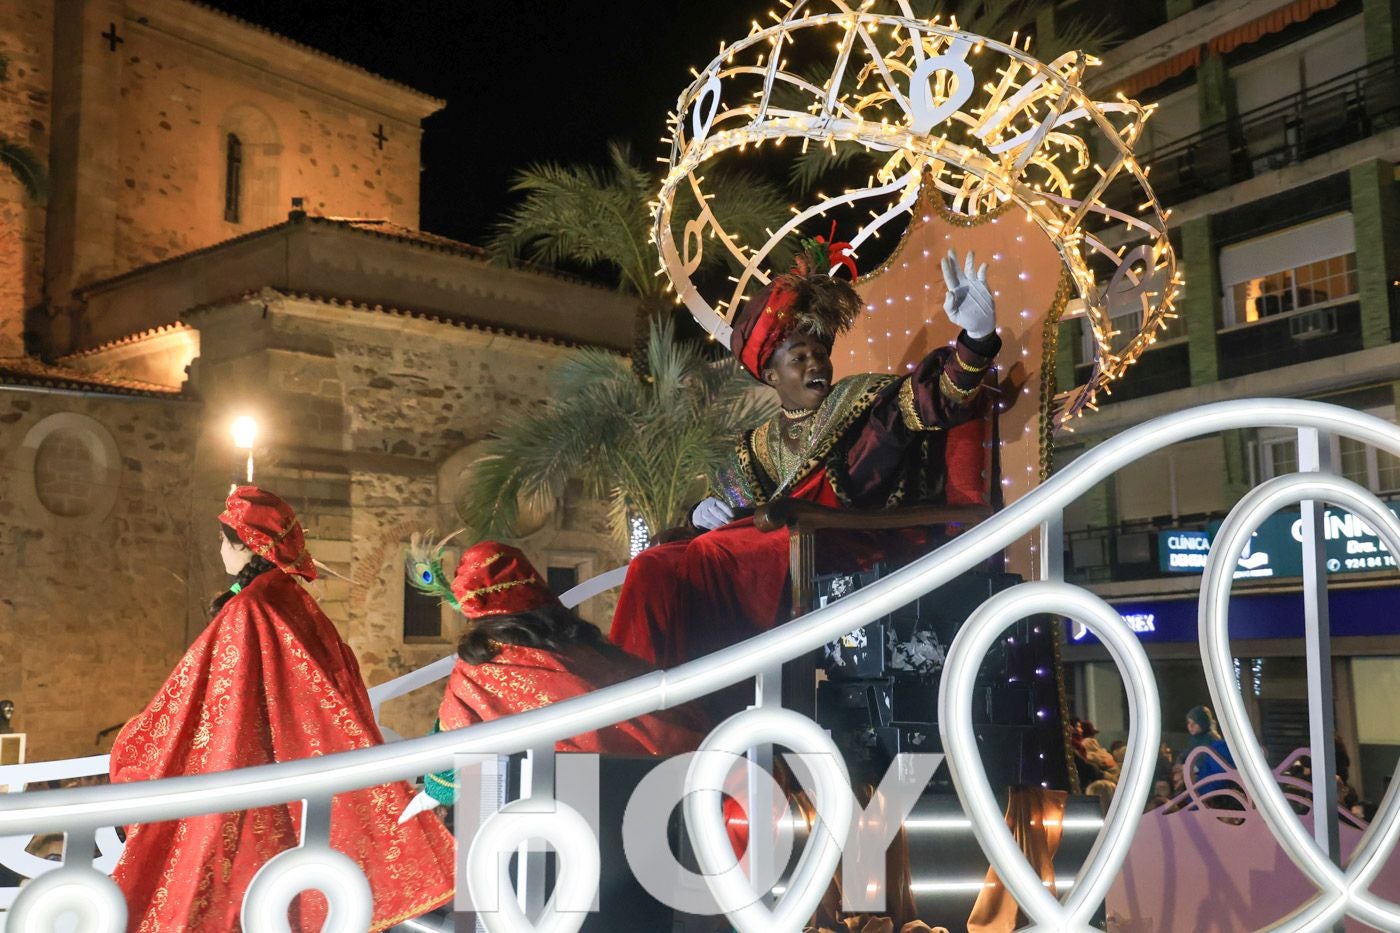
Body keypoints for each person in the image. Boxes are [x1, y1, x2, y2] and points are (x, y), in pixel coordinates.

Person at [609, 239, 1000, 669]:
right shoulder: (758, 443)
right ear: (771, 375)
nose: (815, 364)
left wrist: (977, 339)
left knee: (714, 553)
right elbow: (730, 507)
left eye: (819, 354)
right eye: (799, 357)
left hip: (851, 542)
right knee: (652, 564)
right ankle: (633, 687)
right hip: (785, 545)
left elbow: (937, 400)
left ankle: (718, 692)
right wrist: (700, 512)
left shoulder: (863, 402)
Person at [109, 486, 456, 932]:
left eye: (222, 540)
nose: (219, 549)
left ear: (244, 545)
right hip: (289, 776)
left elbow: (201, 697)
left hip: (251, 777)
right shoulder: (288, 597)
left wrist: (138, 740)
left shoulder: (250, 608)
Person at [401, 540, 708, 816]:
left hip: (571, 813)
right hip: (675, 781)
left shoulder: (479, 669)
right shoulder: (587, 647)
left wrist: (434, 792)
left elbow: (452, 752)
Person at [1180, 705, 1237, 802]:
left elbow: (1202, 760)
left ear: (1202, 723)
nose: (1190, 726)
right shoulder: (1195, 739)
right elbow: (1186, 753)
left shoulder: (1211, 739)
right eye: (1189, 723)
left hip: (1209, 786)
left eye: (1195, 723)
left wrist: (1188, 769)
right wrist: (1179, 763)